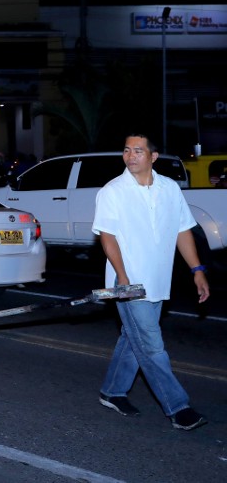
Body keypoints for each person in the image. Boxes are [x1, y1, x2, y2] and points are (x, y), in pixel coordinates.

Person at [92, 133, 210, 431]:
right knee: (152, 345)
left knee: (134, 340)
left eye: (138, 151)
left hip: (159, 281)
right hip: (130, 285)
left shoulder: (169, 189)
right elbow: (108, 236)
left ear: (153, 157)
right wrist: (122, 276)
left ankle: (113, 391)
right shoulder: (113, 191)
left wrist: (197, 269)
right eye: (127, 150)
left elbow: (183, 231)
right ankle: (178, 407)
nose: (131, 156)